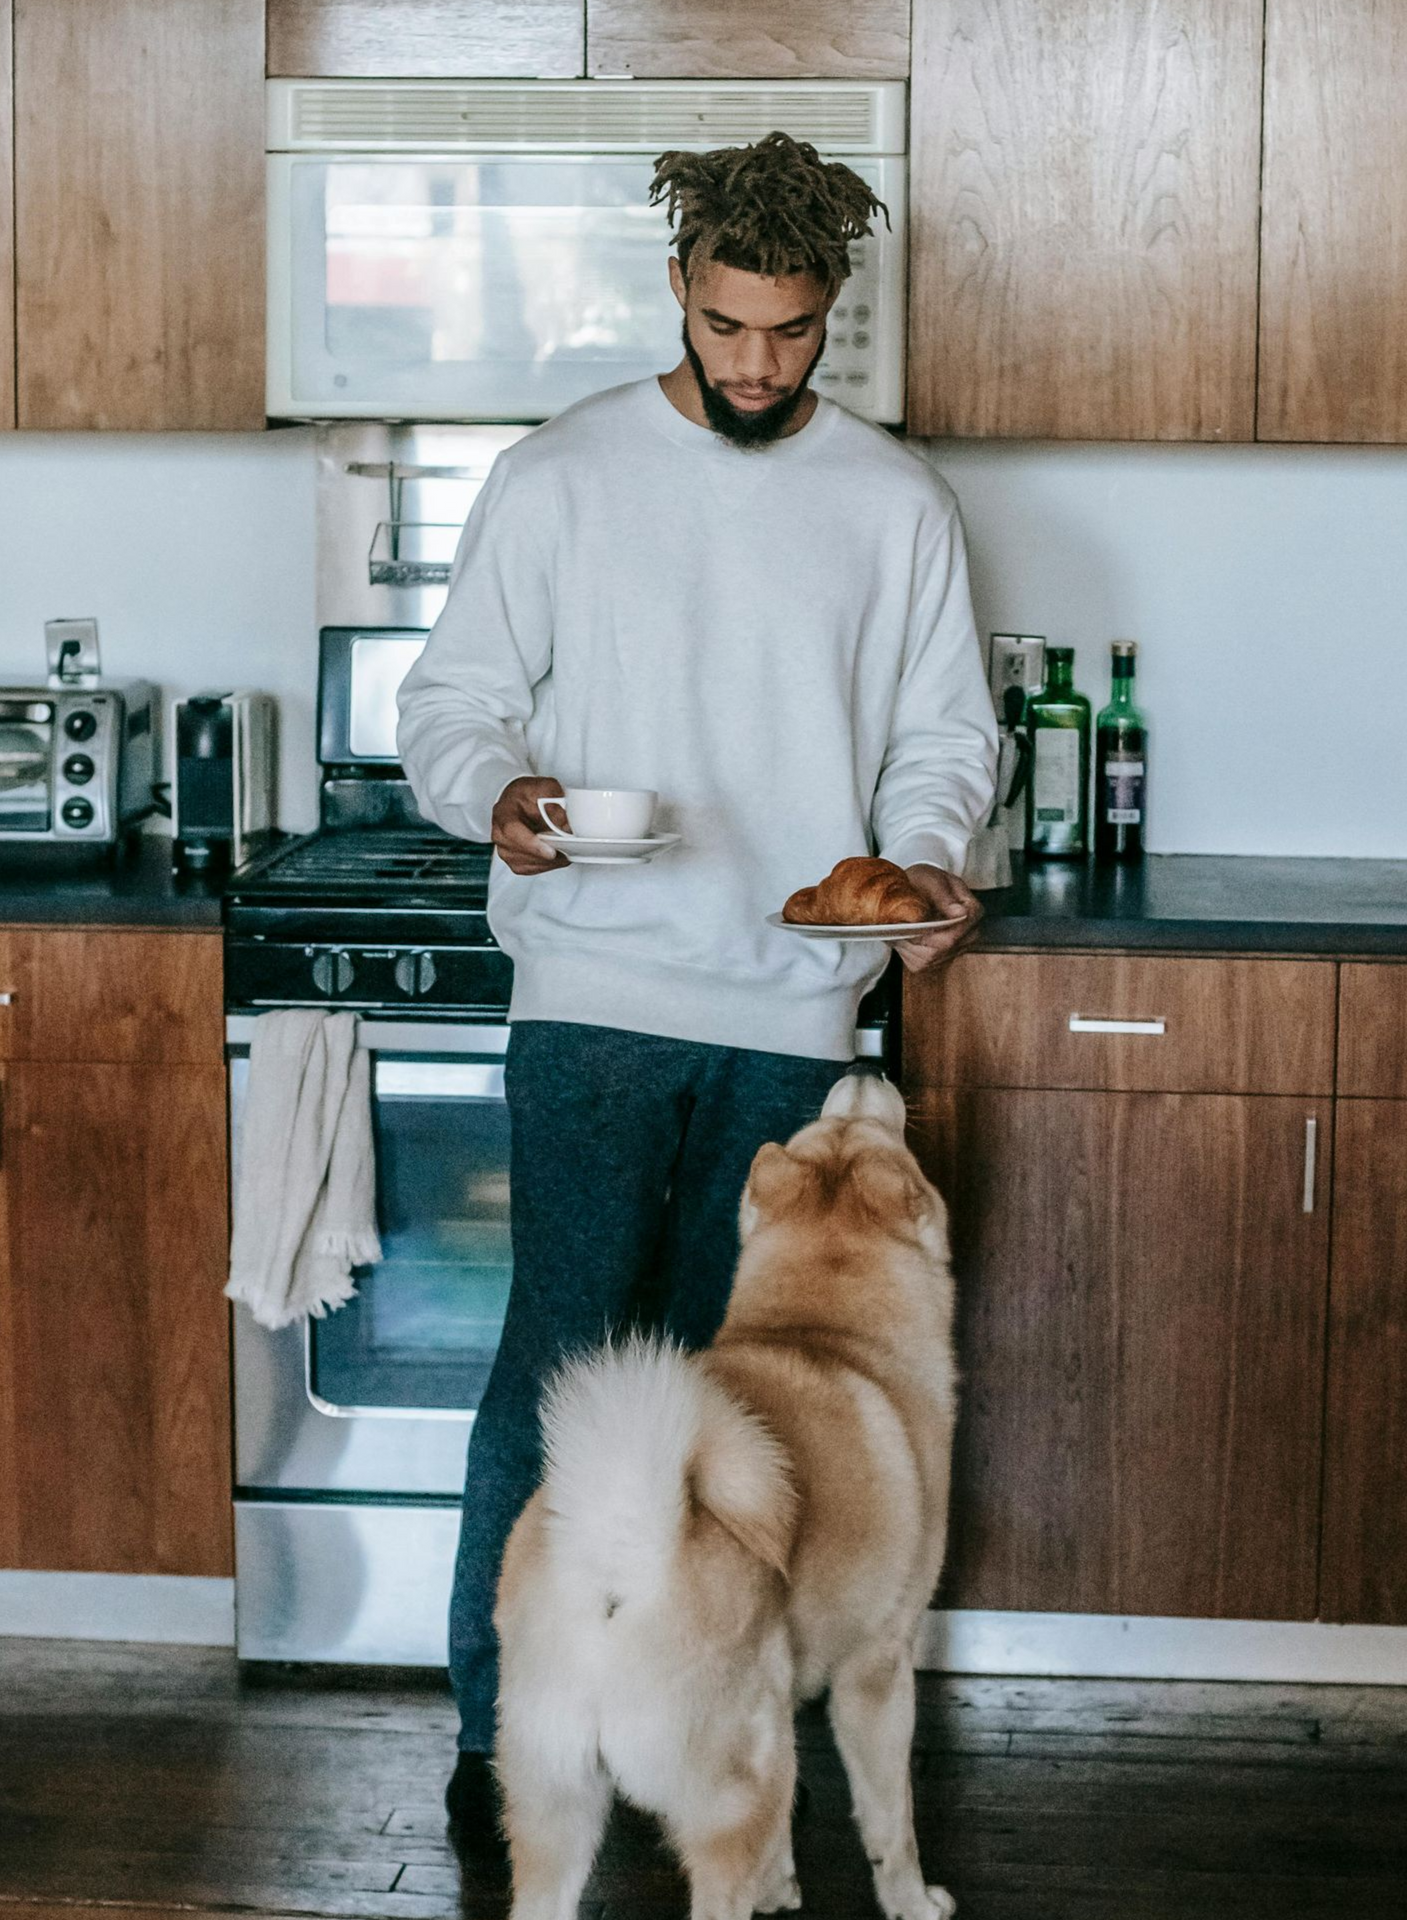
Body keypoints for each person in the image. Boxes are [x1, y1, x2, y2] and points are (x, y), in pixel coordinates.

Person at [395, 130, 999, 1855]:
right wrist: (493, 797)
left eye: (791, 333)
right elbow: (454, 702)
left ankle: (699, 1714)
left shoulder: (892, 503)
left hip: (797, 1004)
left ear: (833, 318)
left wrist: (924, 868)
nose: (754, 364)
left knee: (746, 1400)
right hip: (593, 991)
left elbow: (944, 741)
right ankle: (507, 1728)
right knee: (569, 1370)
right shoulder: (565, 475)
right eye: (728, 325)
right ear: (678, 288)